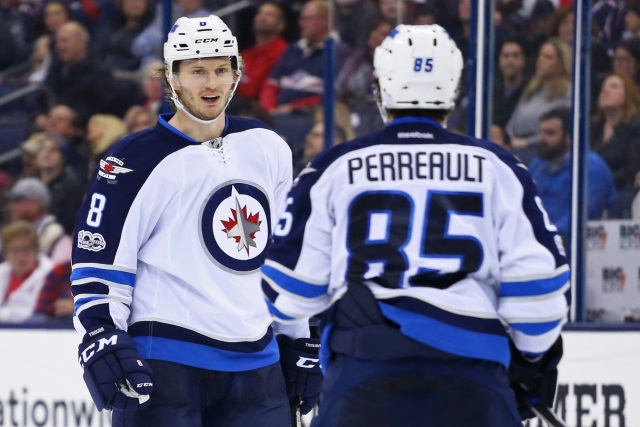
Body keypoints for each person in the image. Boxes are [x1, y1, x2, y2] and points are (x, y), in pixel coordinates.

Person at [261, 24, 569, 427]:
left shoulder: (334, 168)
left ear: (380, 85)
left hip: (363, 382)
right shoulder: (499, 168)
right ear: (454, 87)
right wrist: (530, 360)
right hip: (473, 385)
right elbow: (539, 297)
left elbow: (288, 292)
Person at [70, 14, 321, 426]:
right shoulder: (132, 161)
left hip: (258, 366)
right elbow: (99, 264)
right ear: (172, 78)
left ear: (237, 73)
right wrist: (101, 333)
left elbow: (280, 257)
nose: (211, 83)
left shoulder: (268, 147)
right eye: (198, 71)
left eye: (222, 70)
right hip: (166, 362)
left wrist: (297, 336)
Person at [529, 107, 618, 246]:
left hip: (572, 245)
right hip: (537, 241)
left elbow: (583, 215)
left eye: (550, 133)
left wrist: (545, 236)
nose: (542, 139)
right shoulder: (537, 165)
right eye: (541, 133)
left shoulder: (591, 167)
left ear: (570, 136)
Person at [6, 177, 72, 265]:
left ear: (36, 203)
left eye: (18, 201)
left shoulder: (54, 233)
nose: (12, 206)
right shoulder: (11, 231)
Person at [0, 220, 54, 323]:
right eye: (15, 250)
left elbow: (33, 314)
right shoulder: (2, 272)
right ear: (6, 254)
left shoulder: (51, 273)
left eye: (26, 249)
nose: (21, 256)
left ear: (36, 250)